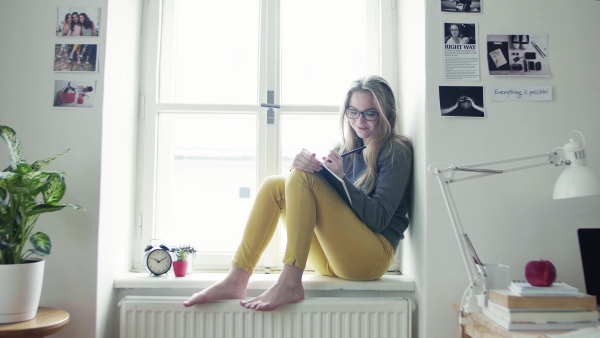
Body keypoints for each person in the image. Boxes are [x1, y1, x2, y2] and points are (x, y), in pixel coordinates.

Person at [183, 75, 412, 311]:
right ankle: (236, 278)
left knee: (302, 178)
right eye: (353, 112)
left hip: (370, 259)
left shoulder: (395, 150)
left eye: (370, 113)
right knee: (276, 184)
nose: (360, 121)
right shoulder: (343, 149)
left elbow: (379, 219)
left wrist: (341, 179)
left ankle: (290, 281)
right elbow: (313, 196)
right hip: (334, 259)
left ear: (387, 114)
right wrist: (302, 167)